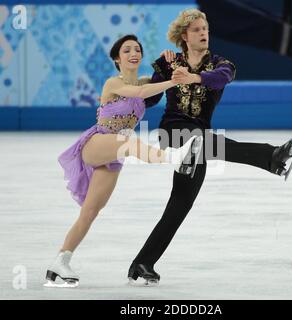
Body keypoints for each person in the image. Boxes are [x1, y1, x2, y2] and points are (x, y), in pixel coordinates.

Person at [127, 9, 292, 285]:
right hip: (172, 133)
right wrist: (134, 87)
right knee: (201, 141)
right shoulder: (167, 63)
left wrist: (193, 78)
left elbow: (221, 78)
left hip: (200, 144)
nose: (203, 33)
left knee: (180, 204)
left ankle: (142, 263)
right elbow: (149, 100)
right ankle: (272, 157)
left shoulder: (222, 64)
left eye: (205, 28)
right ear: (184, 36)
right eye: (196, 30)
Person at [44, 34, 203, 288]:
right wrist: (171, 82)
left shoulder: (144, 82)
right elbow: (141, 92)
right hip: (98, 142)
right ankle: (176, 157)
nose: (134, 53)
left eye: (137, 49)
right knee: (129, 144)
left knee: (90, 212)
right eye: (127, 50)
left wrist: (170, 62)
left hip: (114, 155)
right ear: (117, 59)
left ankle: (59, 262)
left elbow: (153, 83)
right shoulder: (112, 83)